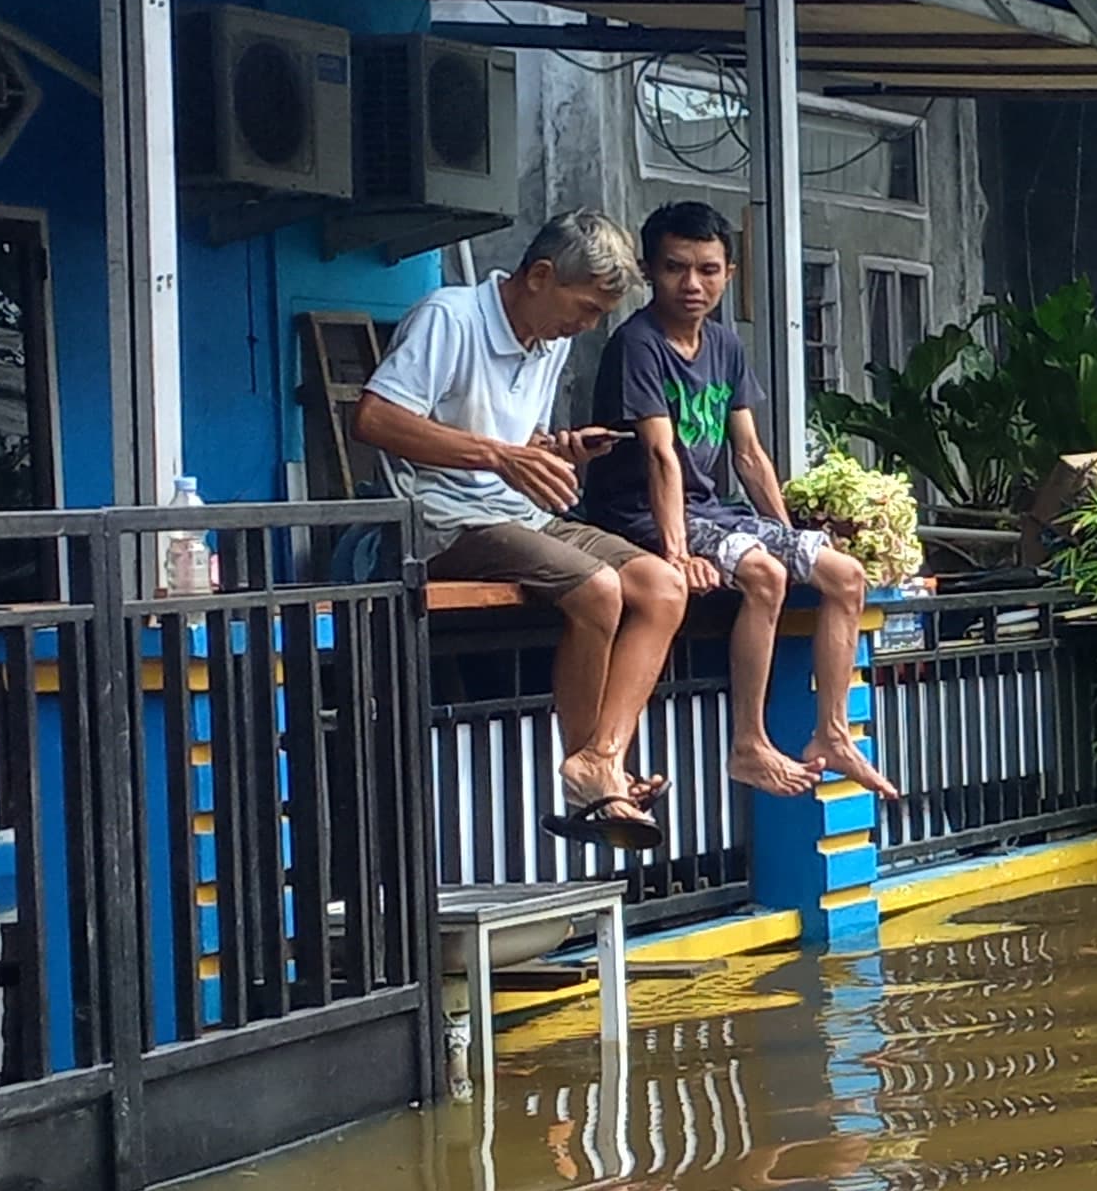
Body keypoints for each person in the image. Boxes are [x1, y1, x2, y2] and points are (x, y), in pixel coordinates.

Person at [353, 210, 679, 848]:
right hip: (440, 518)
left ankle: (603, 757)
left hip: (514, 511)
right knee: (598, 590)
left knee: (662, 586)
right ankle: (590, 777)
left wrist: (555, 449)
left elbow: (512, 439)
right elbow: (375, 420)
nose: (584, 328)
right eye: (584, 309)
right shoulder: (450, 317)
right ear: (539, 275)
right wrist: (500, 457)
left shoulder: (548, 342)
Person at [582, 201, 901, 806]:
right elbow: (660, 457)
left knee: (841, 571)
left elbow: (750, 453)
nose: (693, 284)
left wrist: (790, 537)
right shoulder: (637, 345)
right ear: (650, 271)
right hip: (642, 516)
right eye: (677, 268)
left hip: (711, 510)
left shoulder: (725, 344)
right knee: (762, 574)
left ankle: (831, 734)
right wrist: (676, 553)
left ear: (729, 273)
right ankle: (749, 743)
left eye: (708, 269)